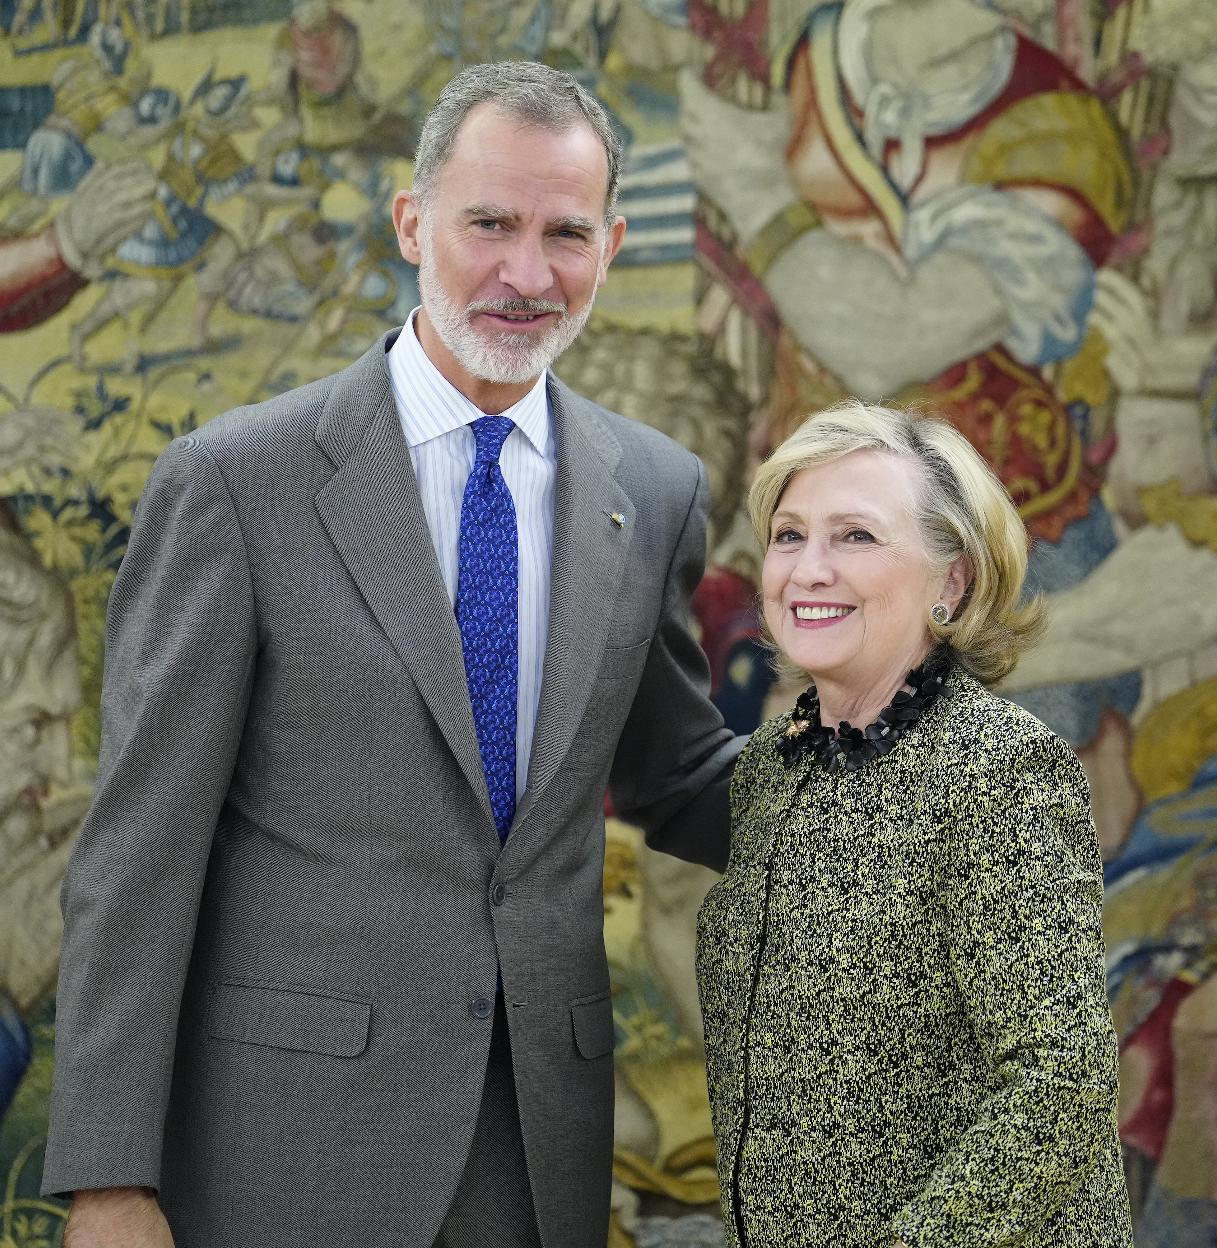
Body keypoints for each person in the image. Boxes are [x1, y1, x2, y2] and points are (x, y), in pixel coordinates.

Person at [42, 61, 741, 1248]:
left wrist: (898, 776)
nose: (528, 274)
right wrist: (110, 1179)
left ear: (613, 244)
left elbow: (681, 777)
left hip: (535, 1149)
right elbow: (139, 851)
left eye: (566, 232)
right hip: (282, 1151)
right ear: (413, 222)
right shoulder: (234, 483)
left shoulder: (659, 493)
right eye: (491, 224)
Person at [696, 401, 1133, 1248]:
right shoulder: (768, 770)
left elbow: (1061, 1083)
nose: (808, 569)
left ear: (953, 581)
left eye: (855, 536)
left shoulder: (1000, 771)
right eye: (789, 536)